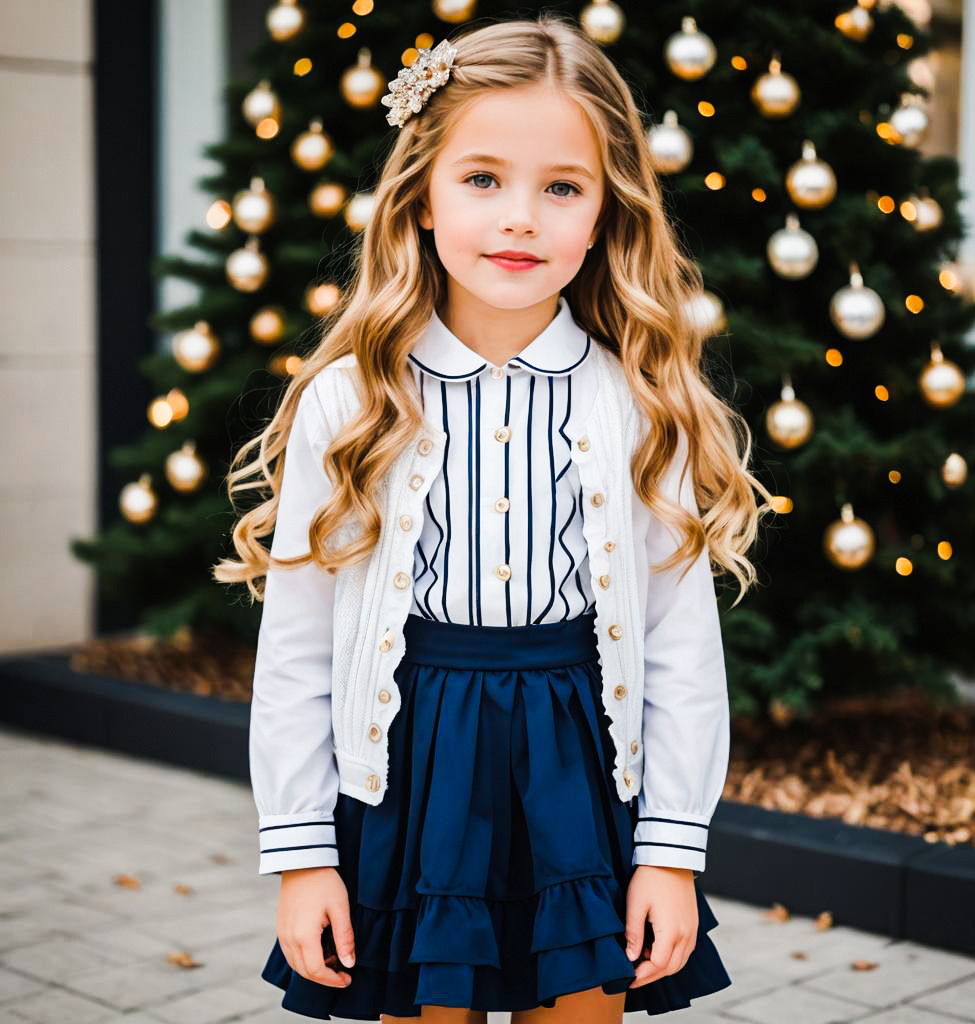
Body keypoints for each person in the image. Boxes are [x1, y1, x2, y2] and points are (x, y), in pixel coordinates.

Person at [214, 12, 769, 1024]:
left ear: (604, 215)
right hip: (413, 773)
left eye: (562, 186)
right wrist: (302, 855)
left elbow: (681, 644)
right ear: (420, 195)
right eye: (482, 178)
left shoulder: (641, 405)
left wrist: (672, 853)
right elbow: (295, 643)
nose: (521, 217)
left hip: (582, 768)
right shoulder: (351, 402)